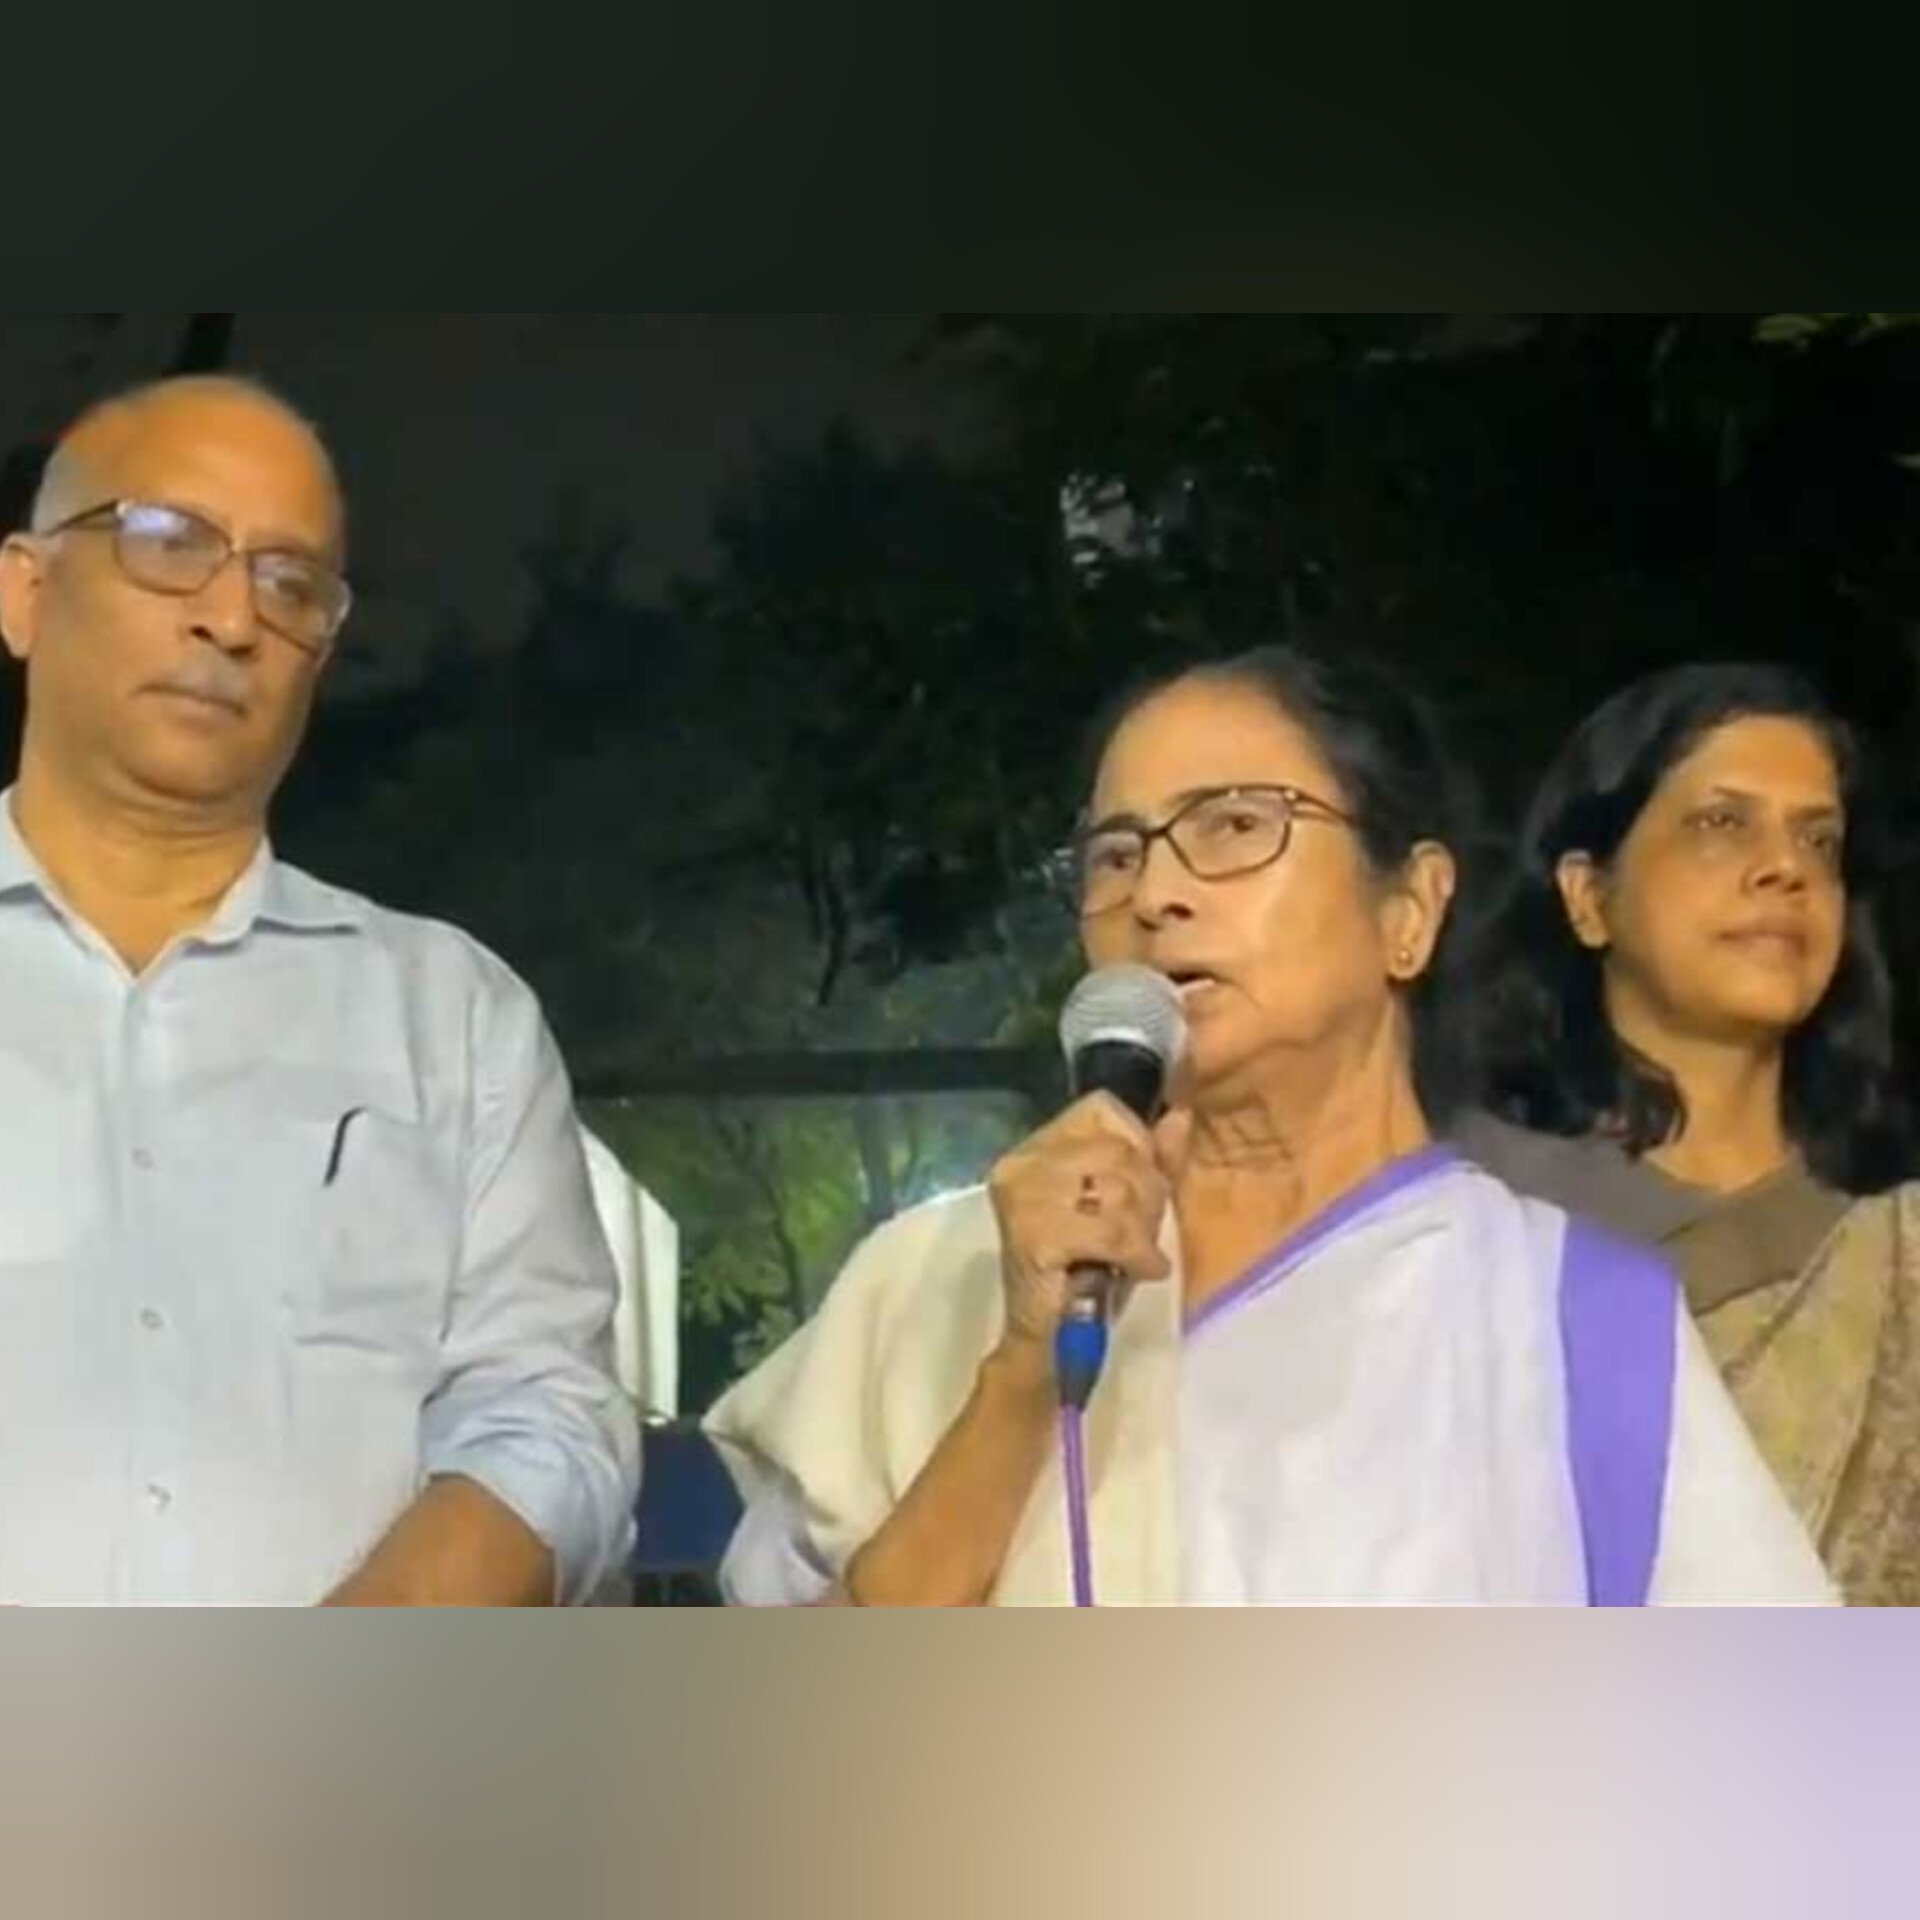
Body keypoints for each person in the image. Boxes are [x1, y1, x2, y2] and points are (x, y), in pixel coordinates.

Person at [706, 640, 1831, 1605]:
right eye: (1115, 854)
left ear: (1409, 908)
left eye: (1237, 823)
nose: (1157, 894)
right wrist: (1015, 1380)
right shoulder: (935, 1282)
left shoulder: (1570, 1316)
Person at [0, 374, 637, 1604]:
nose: (232, 617)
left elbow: (547, 1413)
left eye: (290, 584)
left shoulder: (452, 1019)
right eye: (169, 544)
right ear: (25, 591)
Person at [1460, 661, 1920, 1604]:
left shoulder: (1896, 1249)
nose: (1785, 867)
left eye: (1819, 840)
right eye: (1722, 823)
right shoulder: (1471, 1227)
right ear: (1589, 898)